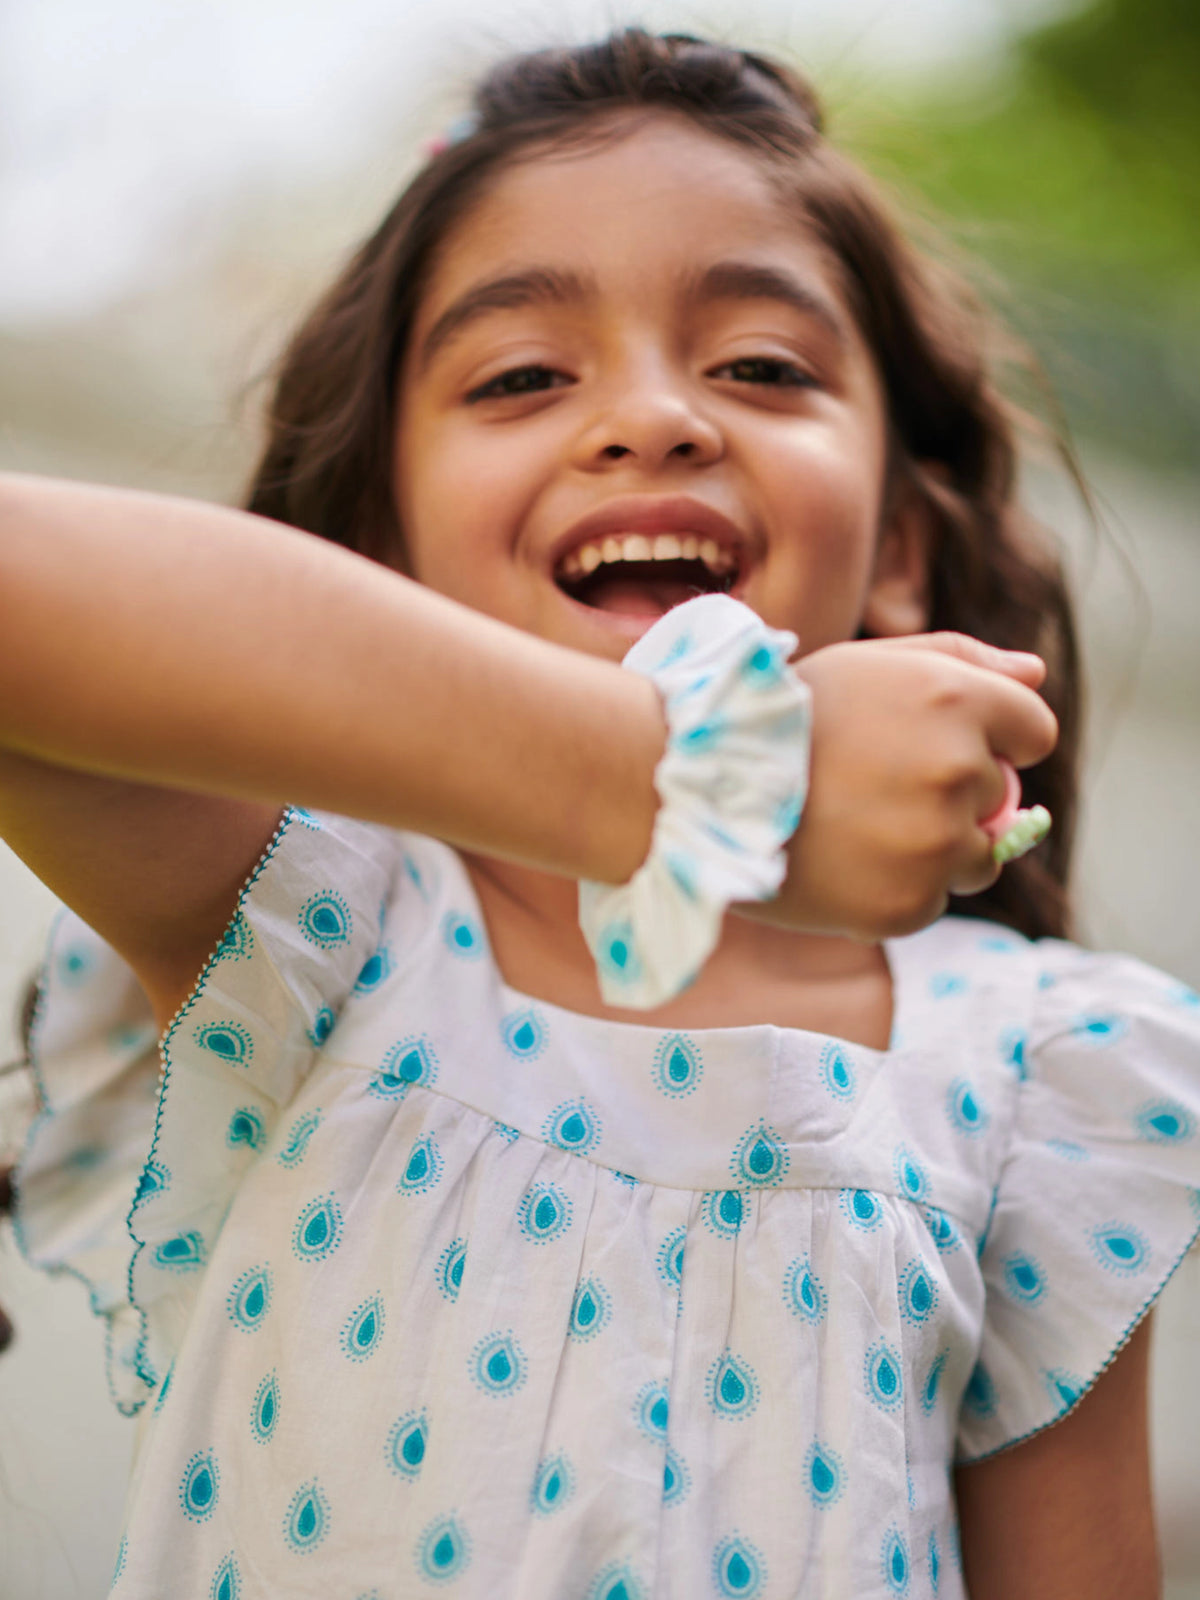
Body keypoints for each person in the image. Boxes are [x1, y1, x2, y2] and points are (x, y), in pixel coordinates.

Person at [2, 28, 1195, 1600]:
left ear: (902, 543)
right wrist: (682, 781)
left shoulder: (1048, 1066)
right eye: (520, 377)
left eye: (762, 367)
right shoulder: (317, 927)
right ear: (378, 568)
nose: (652, 419)